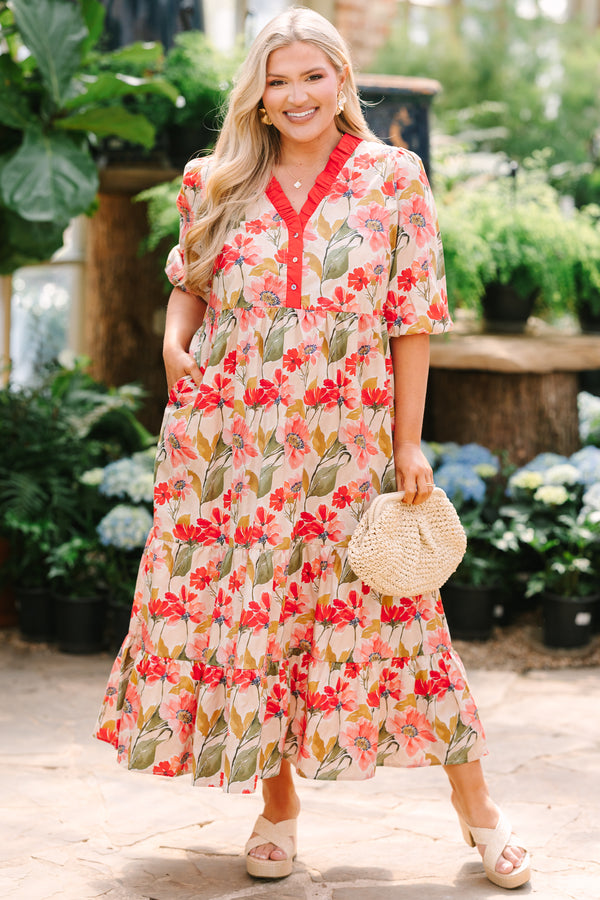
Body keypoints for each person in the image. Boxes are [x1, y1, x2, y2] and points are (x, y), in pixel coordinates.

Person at [95, 7, 530, 890]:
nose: (295, 96)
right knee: (258, 627)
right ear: (256, 97)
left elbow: (413, 319)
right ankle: (278, 808)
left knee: (402, 624)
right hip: (230, 449)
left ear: (342, 82)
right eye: (277, 81)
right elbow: (192, 280)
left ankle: (481, 817)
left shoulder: (392, 177)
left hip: (348, 447)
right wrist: (175, 343)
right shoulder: (212, 180)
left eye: (312, 77)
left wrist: (408, 443)